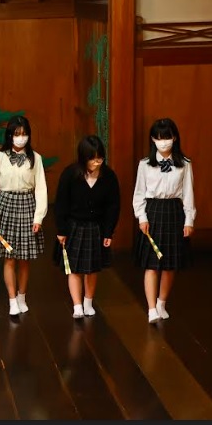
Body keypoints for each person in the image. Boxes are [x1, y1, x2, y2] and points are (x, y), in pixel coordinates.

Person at [0, 115, 47, 316]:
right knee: (9, 257)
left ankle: (21, 296)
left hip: (27, 206)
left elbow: (41, 189)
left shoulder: (36, 158)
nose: (21, 137)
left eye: (24, 134)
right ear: (10, 135)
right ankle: (11, 299)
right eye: (17, 134)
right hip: (6, 206)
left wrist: (38, 217)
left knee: (24, 258)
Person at [132, 118, 195, 324]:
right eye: (159, 138)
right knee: (152, 264)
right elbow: (139, 194)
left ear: (174, 138)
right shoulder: (144, 164)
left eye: (167, 137)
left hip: (174, 211)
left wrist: (189, 220)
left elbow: (188, 194)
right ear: (153, 139)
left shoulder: (184, 164)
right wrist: (142, 217)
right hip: (153, 211)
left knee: (170, 264)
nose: (163, 142)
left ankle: (161, 303)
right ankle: (151, 308)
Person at [53, 135, 120, 319]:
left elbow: (113, 206)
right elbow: (61, 203)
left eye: (100, 158)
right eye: (92, 159)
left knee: (92, 268)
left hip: (96, 227)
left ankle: (88, 302)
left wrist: (108, 232)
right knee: (74, 268)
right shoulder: (70, 174)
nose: (96, 163)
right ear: (83, 157)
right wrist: (61, 229)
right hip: (74, 226)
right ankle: (77, 305)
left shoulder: (109, 176)